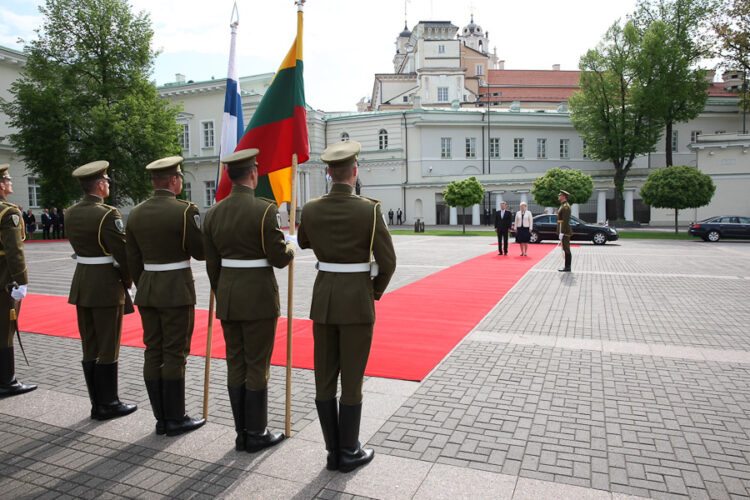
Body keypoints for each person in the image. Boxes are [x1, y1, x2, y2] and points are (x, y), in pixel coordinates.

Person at [297, 141, 397, 473]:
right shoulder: (369, 210)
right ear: (354, 172)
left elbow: (303, 242)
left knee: (324, 377)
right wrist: (373, 291)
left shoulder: (310, 209)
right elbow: (388, 261)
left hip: (324, 300)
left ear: (328, 173)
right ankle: (348, 451)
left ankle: (332, 451)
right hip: (356, 301)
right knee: (352, 380)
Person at [203, 149, 296, 453]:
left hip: (229, 297)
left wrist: (223, 289)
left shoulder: (213, 213)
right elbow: (279, 259)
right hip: (258, 298)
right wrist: (291, 249)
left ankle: (241, 432)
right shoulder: (264, 210)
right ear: (254, 174)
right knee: (257, 365)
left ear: (230, 177)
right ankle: (256, 433)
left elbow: (212, 265)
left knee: (235, 363)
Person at [126, 156, 206, 436]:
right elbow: (201, 251)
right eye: (180, 177)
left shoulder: (135, 212)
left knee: (153, 350)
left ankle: (161, 418)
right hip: (176, 290)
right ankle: (176, 418)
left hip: (148, 288)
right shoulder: (184, 211)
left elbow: (132, 258)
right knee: (175, 353)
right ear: (173, 180)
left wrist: (144, 282)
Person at [67, 160, 136, 420]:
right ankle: (109, 402)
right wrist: (127, 281)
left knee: (90, 344)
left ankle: (96, 402)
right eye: (106, 180)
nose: (108, 184)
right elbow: (123, 253)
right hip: (106, 285)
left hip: (82, 282)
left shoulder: (71, 212)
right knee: (108, 345)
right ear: (99, 185)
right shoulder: (108, 214)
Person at [0, 164, 36, 397]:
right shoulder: (8, 212)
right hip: (4, 279)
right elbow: (15, 251)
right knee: (5, 330)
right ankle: (6, 381)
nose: (11, 181)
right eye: (8, 178)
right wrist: (21, 281)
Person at [557, 190, 572, 272]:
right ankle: (566, 266)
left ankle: (568, 266)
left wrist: (562, 232)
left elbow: (565, 221)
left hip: (565, 230)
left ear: (563, 196)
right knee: (565, 248)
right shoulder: (562, 205)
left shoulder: (565, 206)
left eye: (560, 195)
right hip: (563, 229)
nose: (558, 196)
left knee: (566, 249)